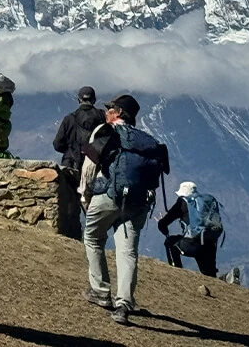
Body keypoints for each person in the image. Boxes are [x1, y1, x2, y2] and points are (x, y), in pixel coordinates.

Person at [83, 94, 165, 326]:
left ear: (118, 113)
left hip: (110, 195)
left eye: (110, 109)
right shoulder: (147, 140)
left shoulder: (107, 132)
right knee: (127, 251)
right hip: (139, 201)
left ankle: (100, 291)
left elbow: (90, 166)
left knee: (92, 237)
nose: (106, 112)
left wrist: (85, 194)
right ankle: (123, 305)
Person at [158, 181, 236, 282]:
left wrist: (163, 228)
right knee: (209, 274)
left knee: (170, 243)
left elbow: (164, 222)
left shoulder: (182, 202)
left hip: (192, 244)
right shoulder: (205, 203)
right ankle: (225, 279)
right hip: (210, 244)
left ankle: (176, 272)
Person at [53, 86, 106, 209]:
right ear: (94, 100)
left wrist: (70, 150)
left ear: (78, 99)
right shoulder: (102, 118)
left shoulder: (69, 119)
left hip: (71, 166)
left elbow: (57, 144)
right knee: (94, 206)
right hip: (96, 168)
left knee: (70, 205)